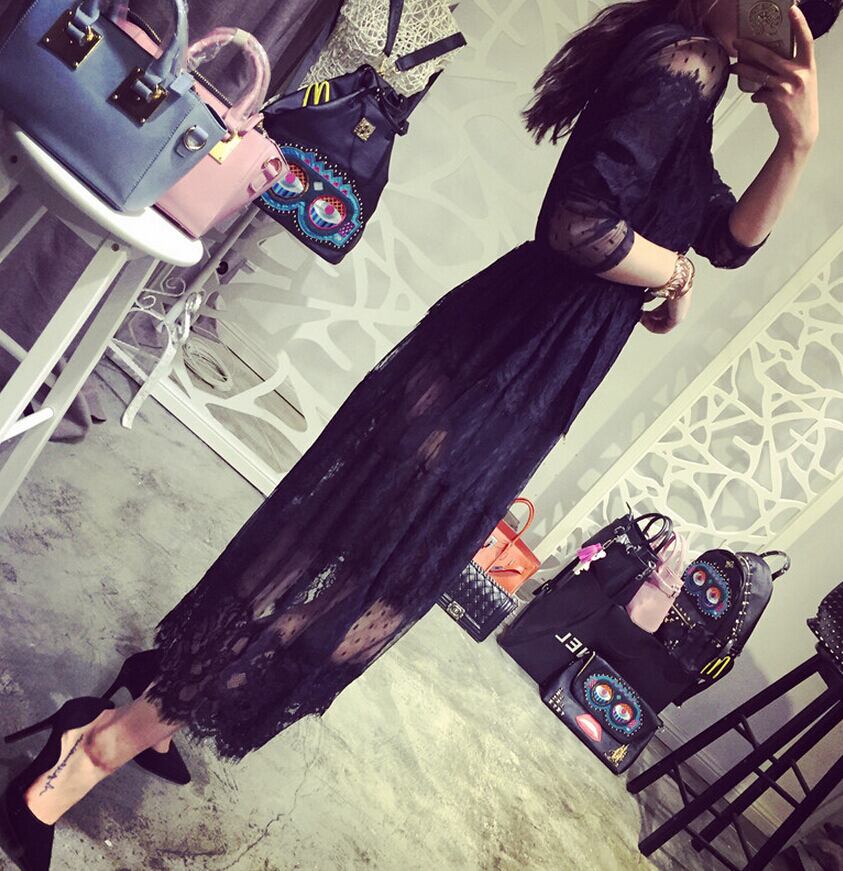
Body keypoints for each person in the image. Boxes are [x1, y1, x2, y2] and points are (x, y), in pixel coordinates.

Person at [2, 0, 837, 867]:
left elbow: (725, 239)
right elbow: (579, 224)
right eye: (782, 15)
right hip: (513, 354)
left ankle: (163, 693)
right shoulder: (687, 62)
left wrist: (795, 144)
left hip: (532, 360)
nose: (784, 38)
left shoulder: (695, 75)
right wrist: (672, 274)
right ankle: (91, 746)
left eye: (805, 28)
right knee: (367, 566)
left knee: (351, 547)